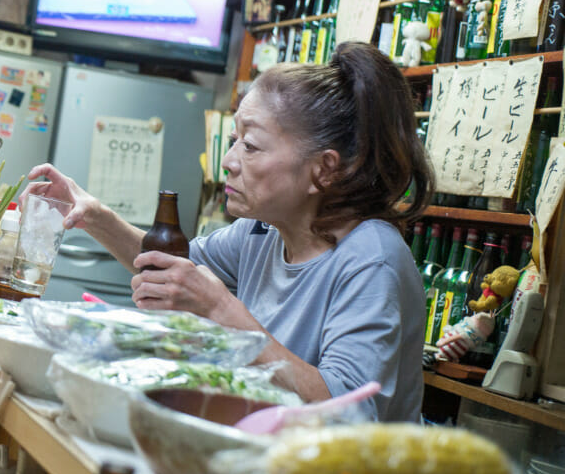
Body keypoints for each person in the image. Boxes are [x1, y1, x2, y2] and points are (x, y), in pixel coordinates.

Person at [28, 43, 431, 422]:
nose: (228, 161)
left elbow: (348, 412)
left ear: (323, 169)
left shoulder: (372, 259)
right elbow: (172, 267)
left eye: (250, 146)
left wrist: (221, 310)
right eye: (234, 140)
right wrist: (94, 215)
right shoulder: (261, 233)